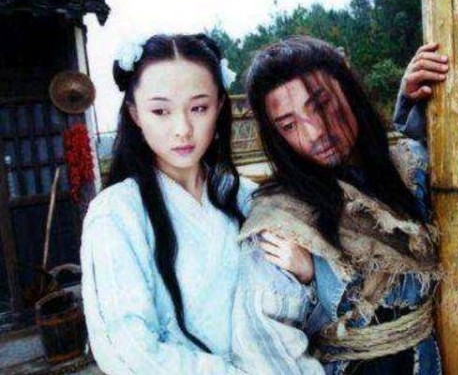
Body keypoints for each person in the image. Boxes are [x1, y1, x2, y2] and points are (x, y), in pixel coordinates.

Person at [80, 33, 313, 375]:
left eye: (199, 108)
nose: (183, 129)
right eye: (160, 111)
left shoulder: (247, 197)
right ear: (135, 114)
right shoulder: (116, 213)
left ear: (219, 107)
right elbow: (127, 350)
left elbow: (291, 314)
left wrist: (305, 275)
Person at [232, 36, 448, 375]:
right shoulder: (282, 218)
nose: (315, 132)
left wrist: (418, 104)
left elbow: (456, 161)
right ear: (277, 137)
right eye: (288, 125)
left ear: (348, 91)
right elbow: (268, 346)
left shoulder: (404, 171)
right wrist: (315, 275)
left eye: (321, 105)